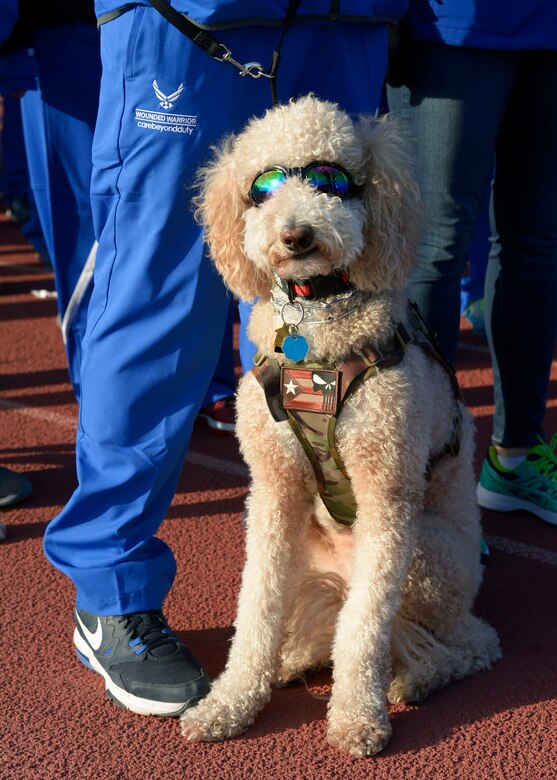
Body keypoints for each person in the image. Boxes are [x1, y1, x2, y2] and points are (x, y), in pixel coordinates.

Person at [41, 0, 408, 717]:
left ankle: (342, 552)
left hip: (347, 16)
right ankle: (113, 592)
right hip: (186, 18)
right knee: (158, 296)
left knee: (339, 283)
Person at [386, 1, 557, 527]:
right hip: (452, 25)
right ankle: (426, 484)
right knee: (436, 245)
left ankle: (516, 458)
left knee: (539, 242)